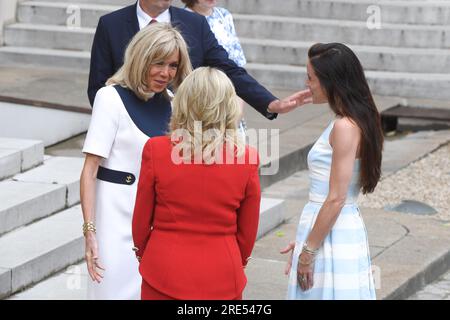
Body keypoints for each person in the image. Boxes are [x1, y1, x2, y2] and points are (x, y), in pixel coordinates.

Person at [80, 23, 192, 300]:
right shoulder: (110, 98)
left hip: (157, 221)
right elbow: (89, 170)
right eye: (158, 63)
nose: (166, 73)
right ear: (142, 58)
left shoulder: (173, 103)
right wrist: (89, 231)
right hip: (113, 219)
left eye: (173, 65)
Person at [131, 67, 261, 300]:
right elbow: (247, 230)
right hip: (222, 273)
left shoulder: (156, 149)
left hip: (163, 270)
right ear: (229, 107)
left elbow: (141, 220)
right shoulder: (247, 158)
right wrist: (233, 261)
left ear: (183, 102)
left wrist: (146, 254)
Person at [88, 0, 312, 120]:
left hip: (180, 132)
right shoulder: (111, 24)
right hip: (128, 128)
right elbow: (98, 86)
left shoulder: (195, 24)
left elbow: (229, 70)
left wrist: (271, 103)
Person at [280, 43, 383, 300]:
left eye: (311, 77)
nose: (307, 84)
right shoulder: (356, 119)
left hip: (334, 231)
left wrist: (308, 252)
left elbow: (336, 198)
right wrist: (307, 240)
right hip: (331, 228)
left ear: (330, 81)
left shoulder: (345, 127)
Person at [181, 0, 248, 138]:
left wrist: (237, 109)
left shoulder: (224, 15)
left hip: (229, 95)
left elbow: (238, 65)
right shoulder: (182, 18)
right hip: (199, 97)